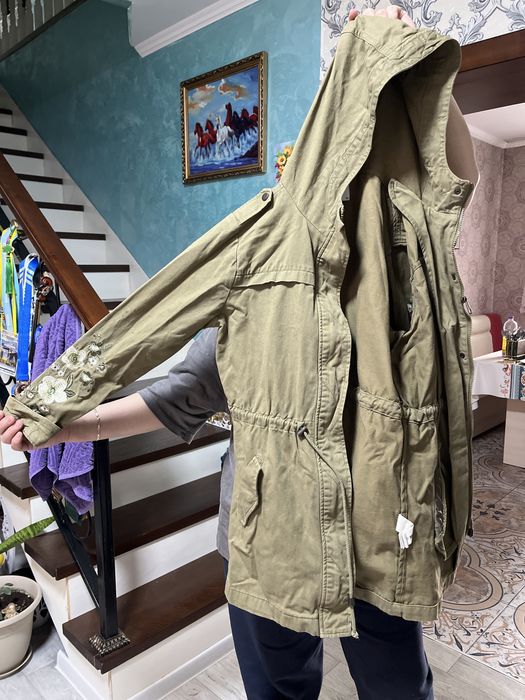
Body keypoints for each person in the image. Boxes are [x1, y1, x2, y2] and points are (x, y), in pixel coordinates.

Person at [0, 7, 436, 699]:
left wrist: (413, 57)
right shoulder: (257, 257)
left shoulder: (410, 261)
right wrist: (68, 419)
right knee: (277, 689)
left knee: (399, 688)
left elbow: (454, 171)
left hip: (376, 533)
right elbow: (180, 390)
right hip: (263, 540)